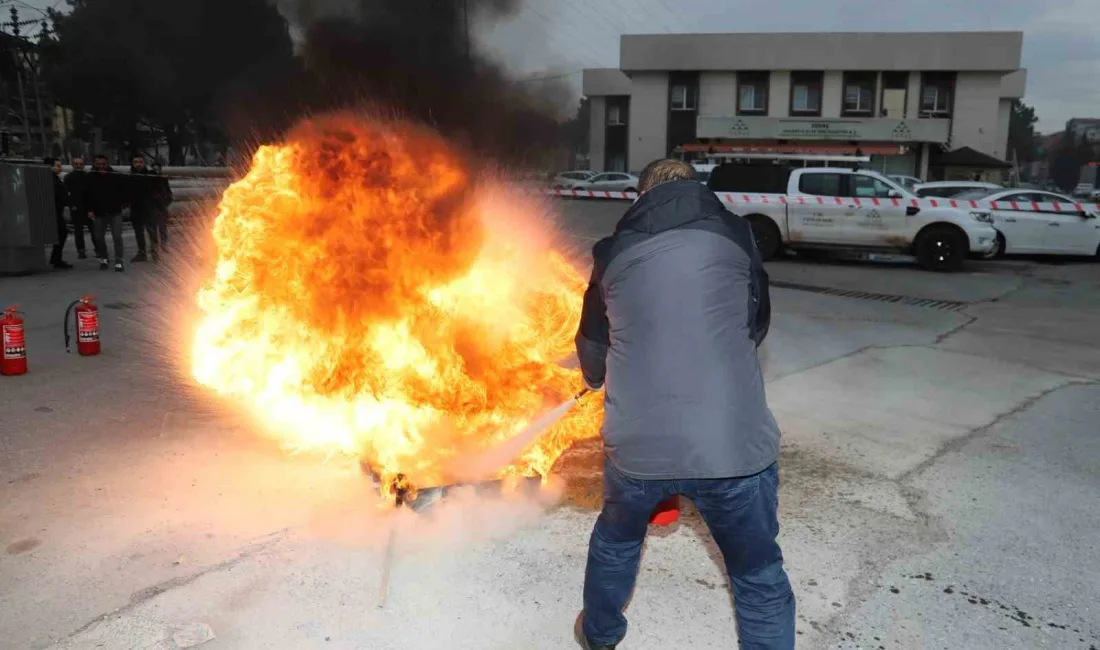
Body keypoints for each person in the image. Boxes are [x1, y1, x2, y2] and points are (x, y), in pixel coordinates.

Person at [573, 159, 794, 650]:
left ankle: (600, 633)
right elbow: (756, 325)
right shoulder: (738, 236)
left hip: (639, 448)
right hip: (731, 447)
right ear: (696, 188)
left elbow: (592, 349)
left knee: (617, 538)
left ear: (641, 195)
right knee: (758, 574)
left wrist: (597, 378)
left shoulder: (612, 252)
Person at [85, 154, 127, 272]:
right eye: (98, 164)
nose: (101, 166)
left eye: (103, 164)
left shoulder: (116, 176)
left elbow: (124, 190)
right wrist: (89, 209)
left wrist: (124, 203)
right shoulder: (90, 177)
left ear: (107, 163)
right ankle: (104, 258)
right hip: (99, 212)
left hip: (115, 212)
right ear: (94, 164)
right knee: (98, 237)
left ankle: (119, 261)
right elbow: (87, 195)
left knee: (117, 237)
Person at [128, 155, 156, 263]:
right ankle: (142, 253)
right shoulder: (129, 177)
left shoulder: (151, 175)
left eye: (140, 162)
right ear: (133, 164)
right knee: (139, 233)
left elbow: (157, 189)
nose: (138, 164)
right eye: (136, 162)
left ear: (144, 163)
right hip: (136, 209)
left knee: (152, 232)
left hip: (150, 208)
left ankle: (154, 252)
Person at [64, 156, 92, 259]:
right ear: (72, 165)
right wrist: (72, 205)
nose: (79, 166)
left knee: (93, 229)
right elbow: (66, 193)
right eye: (76, 164)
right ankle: (81, 250)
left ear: (83, 165)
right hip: (76, 207)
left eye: (80, 164)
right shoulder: (68, 177)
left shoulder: (87, 177)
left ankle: (97, 249)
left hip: (87, 207)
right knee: (78, 230)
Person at [47, 159, 73, 270]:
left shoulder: (53, 178)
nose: (60, 168)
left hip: (57, 211)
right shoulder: (52, 180)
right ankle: (56, 259)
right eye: (57, 166)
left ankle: (56, 258)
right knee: (61, 232)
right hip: (54, 211)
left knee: (61, 233)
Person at [149, 162, 173, 259]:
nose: (156, 171)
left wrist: (167, 201)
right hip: (152, 208)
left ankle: (164, 246)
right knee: (153, 231)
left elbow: (168, 192)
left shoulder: (163, 179)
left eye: (158, 169)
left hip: (162, 208)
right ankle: (154, 250)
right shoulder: (149, 180)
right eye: (154, 169)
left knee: (163, 229)